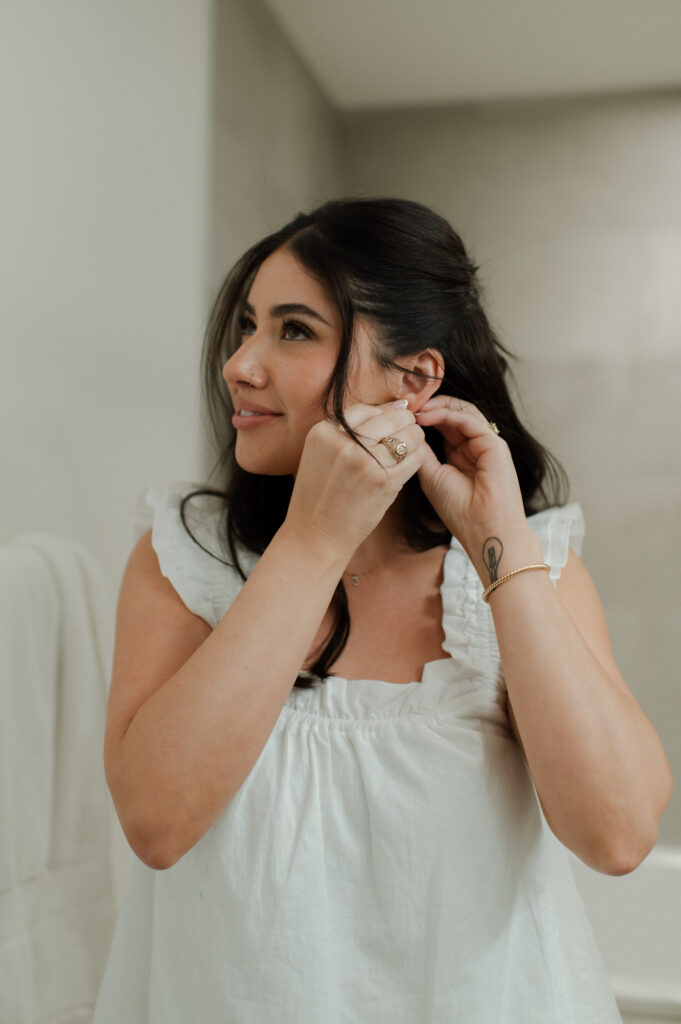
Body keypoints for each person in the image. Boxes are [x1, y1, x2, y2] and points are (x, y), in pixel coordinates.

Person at [94, 197, 672, 1023]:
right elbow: (157, 823)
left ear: (413, 380)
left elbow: (615, 836)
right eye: (247, 326)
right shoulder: (185, 557)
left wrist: (499, 546)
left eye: (293, 330)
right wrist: (312, 543)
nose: (240, 364)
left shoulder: (529, 563)